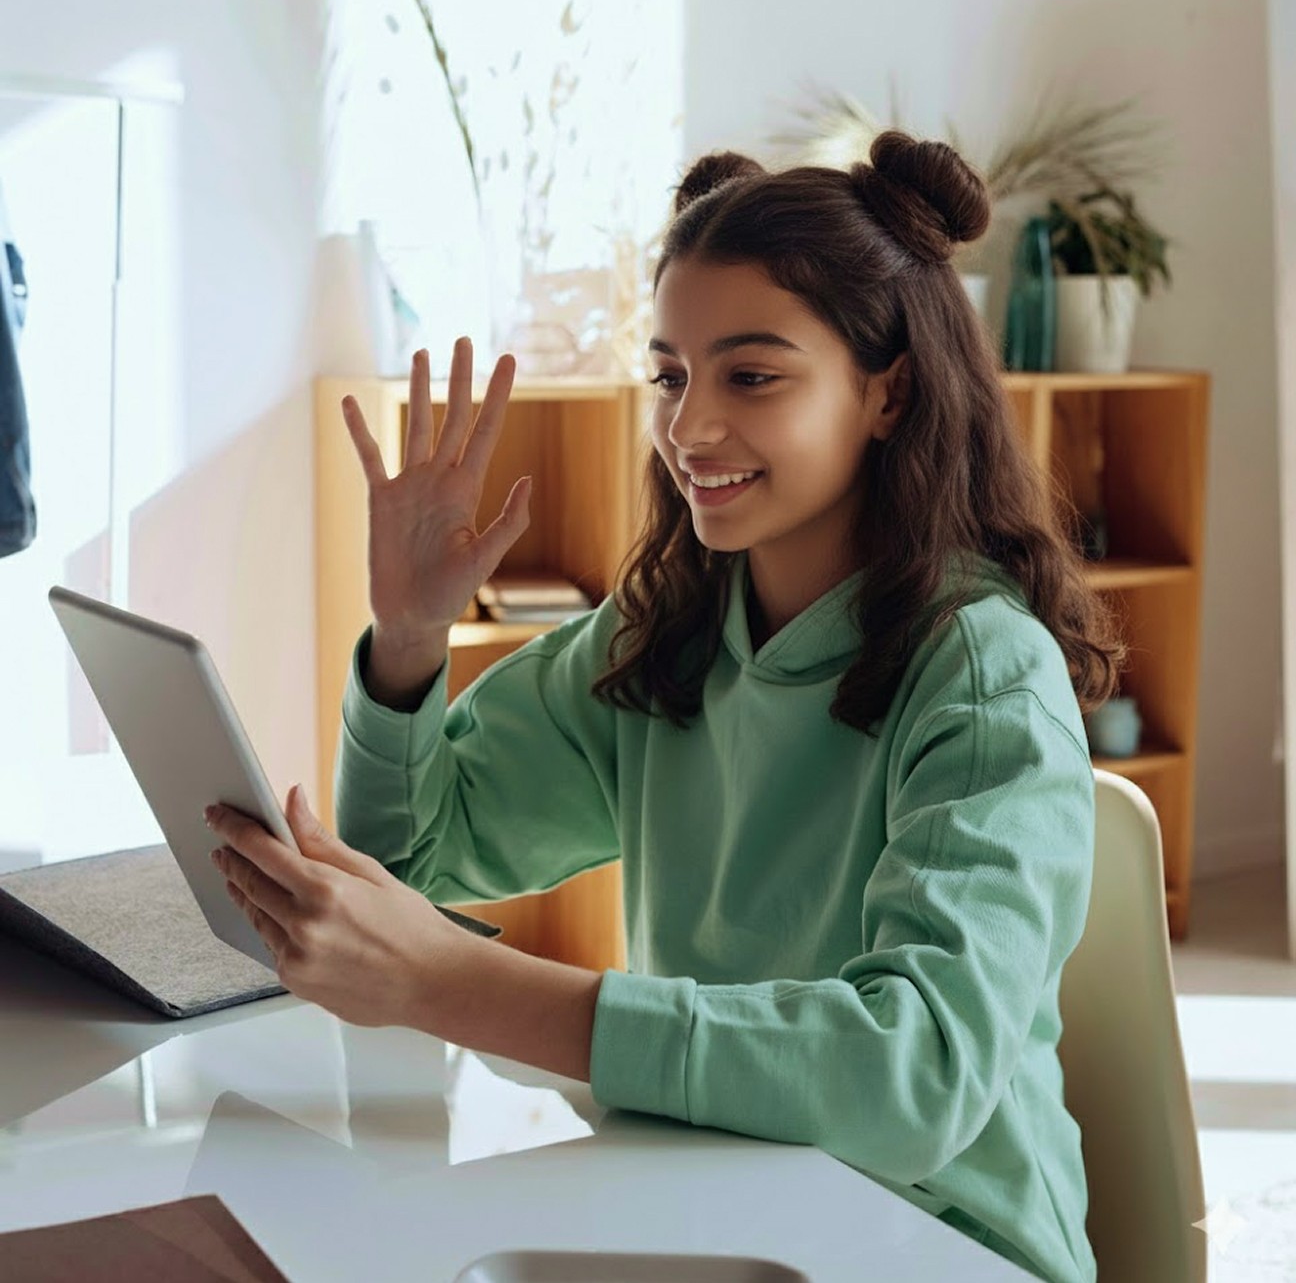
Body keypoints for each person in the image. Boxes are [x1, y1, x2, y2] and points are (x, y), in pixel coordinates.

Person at [206, 130, 1123, 1283]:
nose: (689, 428)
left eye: (752, 375)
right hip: (716, 1200)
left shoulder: (984, 680)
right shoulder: (668, 638)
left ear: (886, 393)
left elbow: (916, 1078)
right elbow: (411, 865)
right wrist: (408, 635)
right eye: (671, 376)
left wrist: (456, 982)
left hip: (938, 1244)